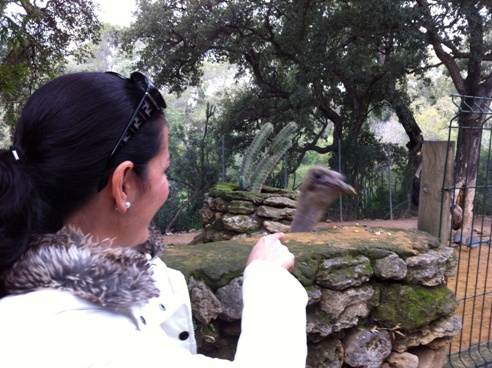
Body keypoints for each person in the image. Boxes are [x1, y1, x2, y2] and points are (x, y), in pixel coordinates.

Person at [0, 71, 307, 367]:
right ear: (123, 185)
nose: (167, 185)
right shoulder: (85, 342)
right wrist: (267, 277)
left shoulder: (19, 274)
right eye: (165, 170)